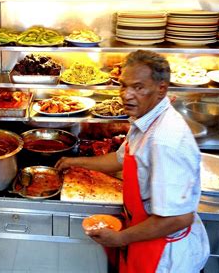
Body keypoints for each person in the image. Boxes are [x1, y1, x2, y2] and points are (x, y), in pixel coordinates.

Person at [56, 50, 210, 273]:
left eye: (138, 87)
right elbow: (120, 159)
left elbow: (178, 218)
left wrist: (120, 238)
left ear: (161, 89)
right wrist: (74, 162)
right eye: (123, 85)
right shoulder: (145, 121)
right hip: (144, 238)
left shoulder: (165, 140)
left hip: (167, 258)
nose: (126, 95)